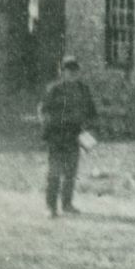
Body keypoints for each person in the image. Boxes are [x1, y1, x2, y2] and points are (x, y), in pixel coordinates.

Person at [39, 54, 99, 217]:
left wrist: (91, 130)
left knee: (71, 172)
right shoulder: (54, 89)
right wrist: (47, 130)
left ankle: (67, 204)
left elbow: (92, 112)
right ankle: (51, 207)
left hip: (74, 134)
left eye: (75, 70)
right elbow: (44, 111)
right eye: (69, 70)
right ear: (62, 71)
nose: (72, 73)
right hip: (57, 135)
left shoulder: (83, 89)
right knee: (54, 172)